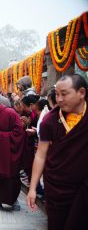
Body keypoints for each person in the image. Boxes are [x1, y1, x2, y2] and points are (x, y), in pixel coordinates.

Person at [27, 74, 88, 230]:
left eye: (64, 94)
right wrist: (33, 188)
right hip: (58, 187)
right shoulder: (50, 121)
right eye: (57, 94)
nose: (59, 99)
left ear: (81, 92)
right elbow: (40, 155)